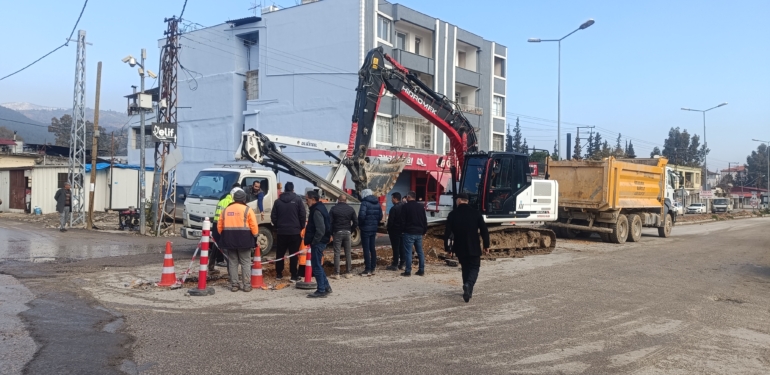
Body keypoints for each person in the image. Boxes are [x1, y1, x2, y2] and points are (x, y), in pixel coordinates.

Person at [444, 193, 489, 303]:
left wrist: (448, 249)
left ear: (459, 200)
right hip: (474, 246)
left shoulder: (452, 214)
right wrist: (486, 245)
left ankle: (467, 290)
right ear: (467, 201)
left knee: (465, 267)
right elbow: (484, 230)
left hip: (460, 247)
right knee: (474, 267)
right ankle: (469, 285)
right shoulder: (476, 213)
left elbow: (447, 233)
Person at [217, 190, 259, 292]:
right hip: (244, 240)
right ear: (244, 199)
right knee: (245, 262)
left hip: (229, 240)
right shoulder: (247, 210)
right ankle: (246, 285)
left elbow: (219, 227)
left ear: (234, 199)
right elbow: (254, 226)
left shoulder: (226, 210)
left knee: (232, 262)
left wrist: (225, 235)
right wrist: (255, 236)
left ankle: (234, 284)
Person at [270, 181, 306, 282]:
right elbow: (302, 215)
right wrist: (300, 227)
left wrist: (278, 226)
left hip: (281, 232)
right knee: (294, 254)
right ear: (293, 189)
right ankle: (294, 275)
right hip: (294, 232)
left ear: (284, 190)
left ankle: (279, 273)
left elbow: (273, 216)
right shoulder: (298, 200)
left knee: (280, 253)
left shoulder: (278, 201)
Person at [305, 190, 333, 298]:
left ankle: (321, 289)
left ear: (312, 199)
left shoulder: (316, 210)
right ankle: (326, 287)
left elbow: (320, 229)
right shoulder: (321, 208)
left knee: (316, 266)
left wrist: (315, 241)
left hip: (318, 242)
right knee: (318, 266)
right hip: (321, 241)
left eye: (307, 199)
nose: (306, 201)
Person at [211, 183, 241, 272]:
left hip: (216, 223)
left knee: (216, 245)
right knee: (227, 248)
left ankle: (211, 266)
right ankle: (230, 272)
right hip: (224, 225)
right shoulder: (231, 202)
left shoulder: (223, 199)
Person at [329, 194, 357, 279]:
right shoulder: (350, 209)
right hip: (347, 232)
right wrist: (350, 230)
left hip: (337, 232)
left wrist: (331, 233)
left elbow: (329, 223)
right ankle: (348, 272)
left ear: (338, 200)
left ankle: (336, 274)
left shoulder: (334, 209)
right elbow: (356, 222)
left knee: (337, 253)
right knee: (348, 253)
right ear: (346, 200)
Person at [401, 191, 427, 277]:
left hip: (409, 232)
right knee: (420, 252)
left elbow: (403, 220)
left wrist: (403, 230)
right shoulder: (420, 207)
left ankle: (408, 271)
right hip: (419, 232)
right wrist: (424, 231)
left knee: (408, 252)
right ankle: (421, 270)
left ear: (408, 197)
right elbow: (424, 220)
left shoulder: (405, 207)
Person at [357, 189, 382, 276]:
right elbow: (380, 216)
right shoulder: (377, 203)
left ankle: (367, 269)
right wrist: (375, 223)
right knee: (372, 248)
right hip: (374, 228)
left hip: (365, 229)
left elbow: (361, 216)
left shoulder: (364, 203)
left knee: (366, 249)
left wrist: (360, 224)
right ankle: (373, 267)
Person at [385, 192, 406, 271]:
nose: (391, 200)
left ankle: (395, 264)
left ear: (395, 198)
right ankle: (403, 263)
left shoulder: (394, 209)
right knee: (402, 247)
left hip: (395, 231)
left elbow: (391, 221)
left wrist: (388, 228)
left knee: (396, 247)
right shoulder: (404, 207)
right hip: (403, 230)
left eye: (392, 198)